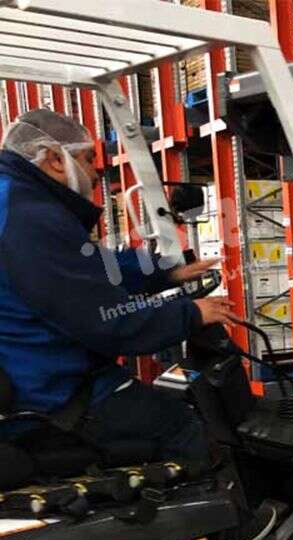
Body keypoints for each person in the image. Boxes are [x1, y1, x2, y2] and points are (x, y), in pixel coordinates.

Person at [0, 109, 237, 463]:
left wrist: (164, 272)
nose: (95, 172)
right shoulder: (30, 217)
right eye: (88, 159)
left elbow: (84, 269)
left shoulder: (15, 202)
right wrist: (191, 314)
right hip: (55, 394)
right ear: (54, 160)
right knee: (187, 429)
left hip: (29, 373)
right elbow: (107, 322)